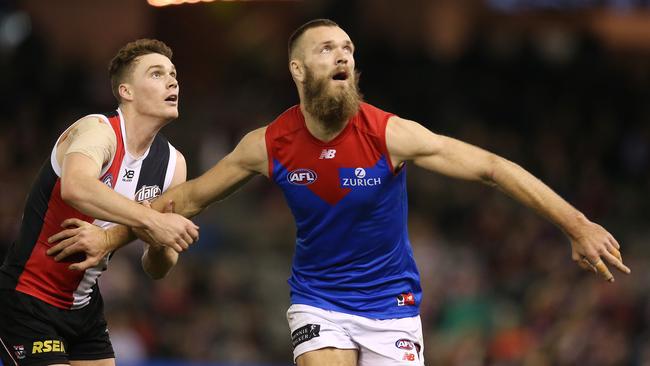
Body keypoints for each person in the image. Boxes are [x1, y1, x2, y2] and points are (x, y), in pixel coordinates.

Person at [46, 20, 630, 366]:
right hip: (318, 302)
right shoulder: (268, 143)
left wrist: (576, 224)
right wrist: (111, 237)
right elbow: (187, 199)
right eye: (326, 49)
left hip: (393, 307)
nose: (342, 54)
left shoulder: (390, 133)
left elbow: (494, 168)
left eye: (347, 48)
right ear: (298, 71)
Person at [0, 39, 199, 366]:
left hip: (85, 307)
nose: (172, 80)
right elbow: (76, 187)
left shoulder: (174, 164)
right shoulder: (97, 130)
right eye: (156, 73)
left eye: (173, 73)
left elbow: (156, 268)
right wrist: (151, 221)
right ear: (126, 91)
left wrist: (164, 244)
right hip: (29, 298)